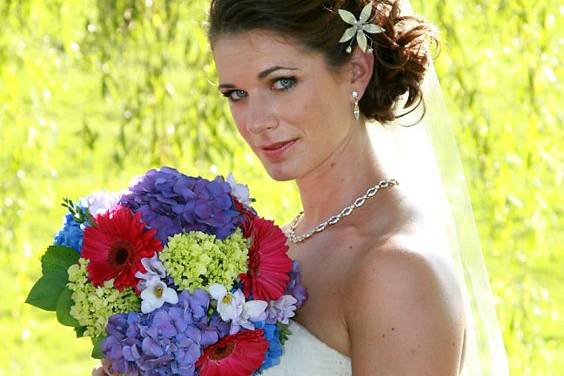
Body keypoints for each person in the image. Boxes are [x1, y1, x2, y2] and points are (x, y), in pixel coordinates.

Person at [95, 0, 508, 374]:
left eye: (281, 83)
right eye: (237, 94)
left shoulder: (397, 271)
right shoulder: (279, 244)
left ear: (356, 72)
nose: (256, 121)